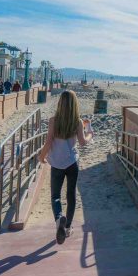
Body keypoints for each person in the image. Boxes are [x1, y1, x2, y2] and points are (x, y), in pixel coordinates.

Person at [39, 90, 93, 244]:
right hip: (72, 164)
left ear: (60, 103)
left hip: (56, 164)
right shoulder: (77, 121)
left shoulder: (53, 121)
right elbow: (83, 142)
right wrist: (90, 132)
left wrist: (41, 156)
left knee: (55, 196)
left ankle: (58, 220)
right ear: (74, 104)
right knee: (71, 195)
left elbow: (48, 143)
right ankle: (68, 227)